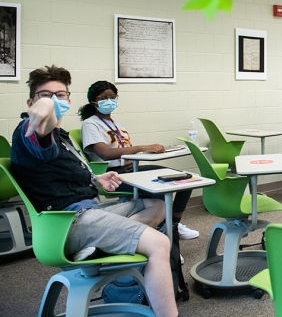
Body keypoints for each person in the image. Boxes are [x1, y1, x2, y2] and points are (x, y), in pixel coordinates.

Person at [10, 65, 178, 317]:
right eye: (45, 95)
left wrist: (96, 179)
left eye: (61, 95)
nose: (54, 100)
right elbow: (40, 131)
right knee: (159, 243)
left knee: (156, 204)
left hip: (88, 211)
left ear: (69, 98)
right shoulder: (28, 130)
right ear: (30, 101)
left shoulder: (61, 136)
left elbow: (58, 173)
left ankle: (103, 246)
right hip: (69, 222)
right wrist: (44, 109)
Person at [79, 80, 199, 240]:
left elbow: (123, 149)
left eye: (112, 97)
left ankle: (173, 225)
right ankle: (164, 230)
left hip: (129, 170)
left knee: (185, 178)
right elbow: (105, 153)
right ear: (93, 101)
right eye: (103, 98)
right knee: (160, 186)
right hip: (111, 176)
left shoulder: (116, 124)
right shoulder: (90, 124)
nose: (109, 101)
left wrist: (129, 160)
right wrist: (142, 147)